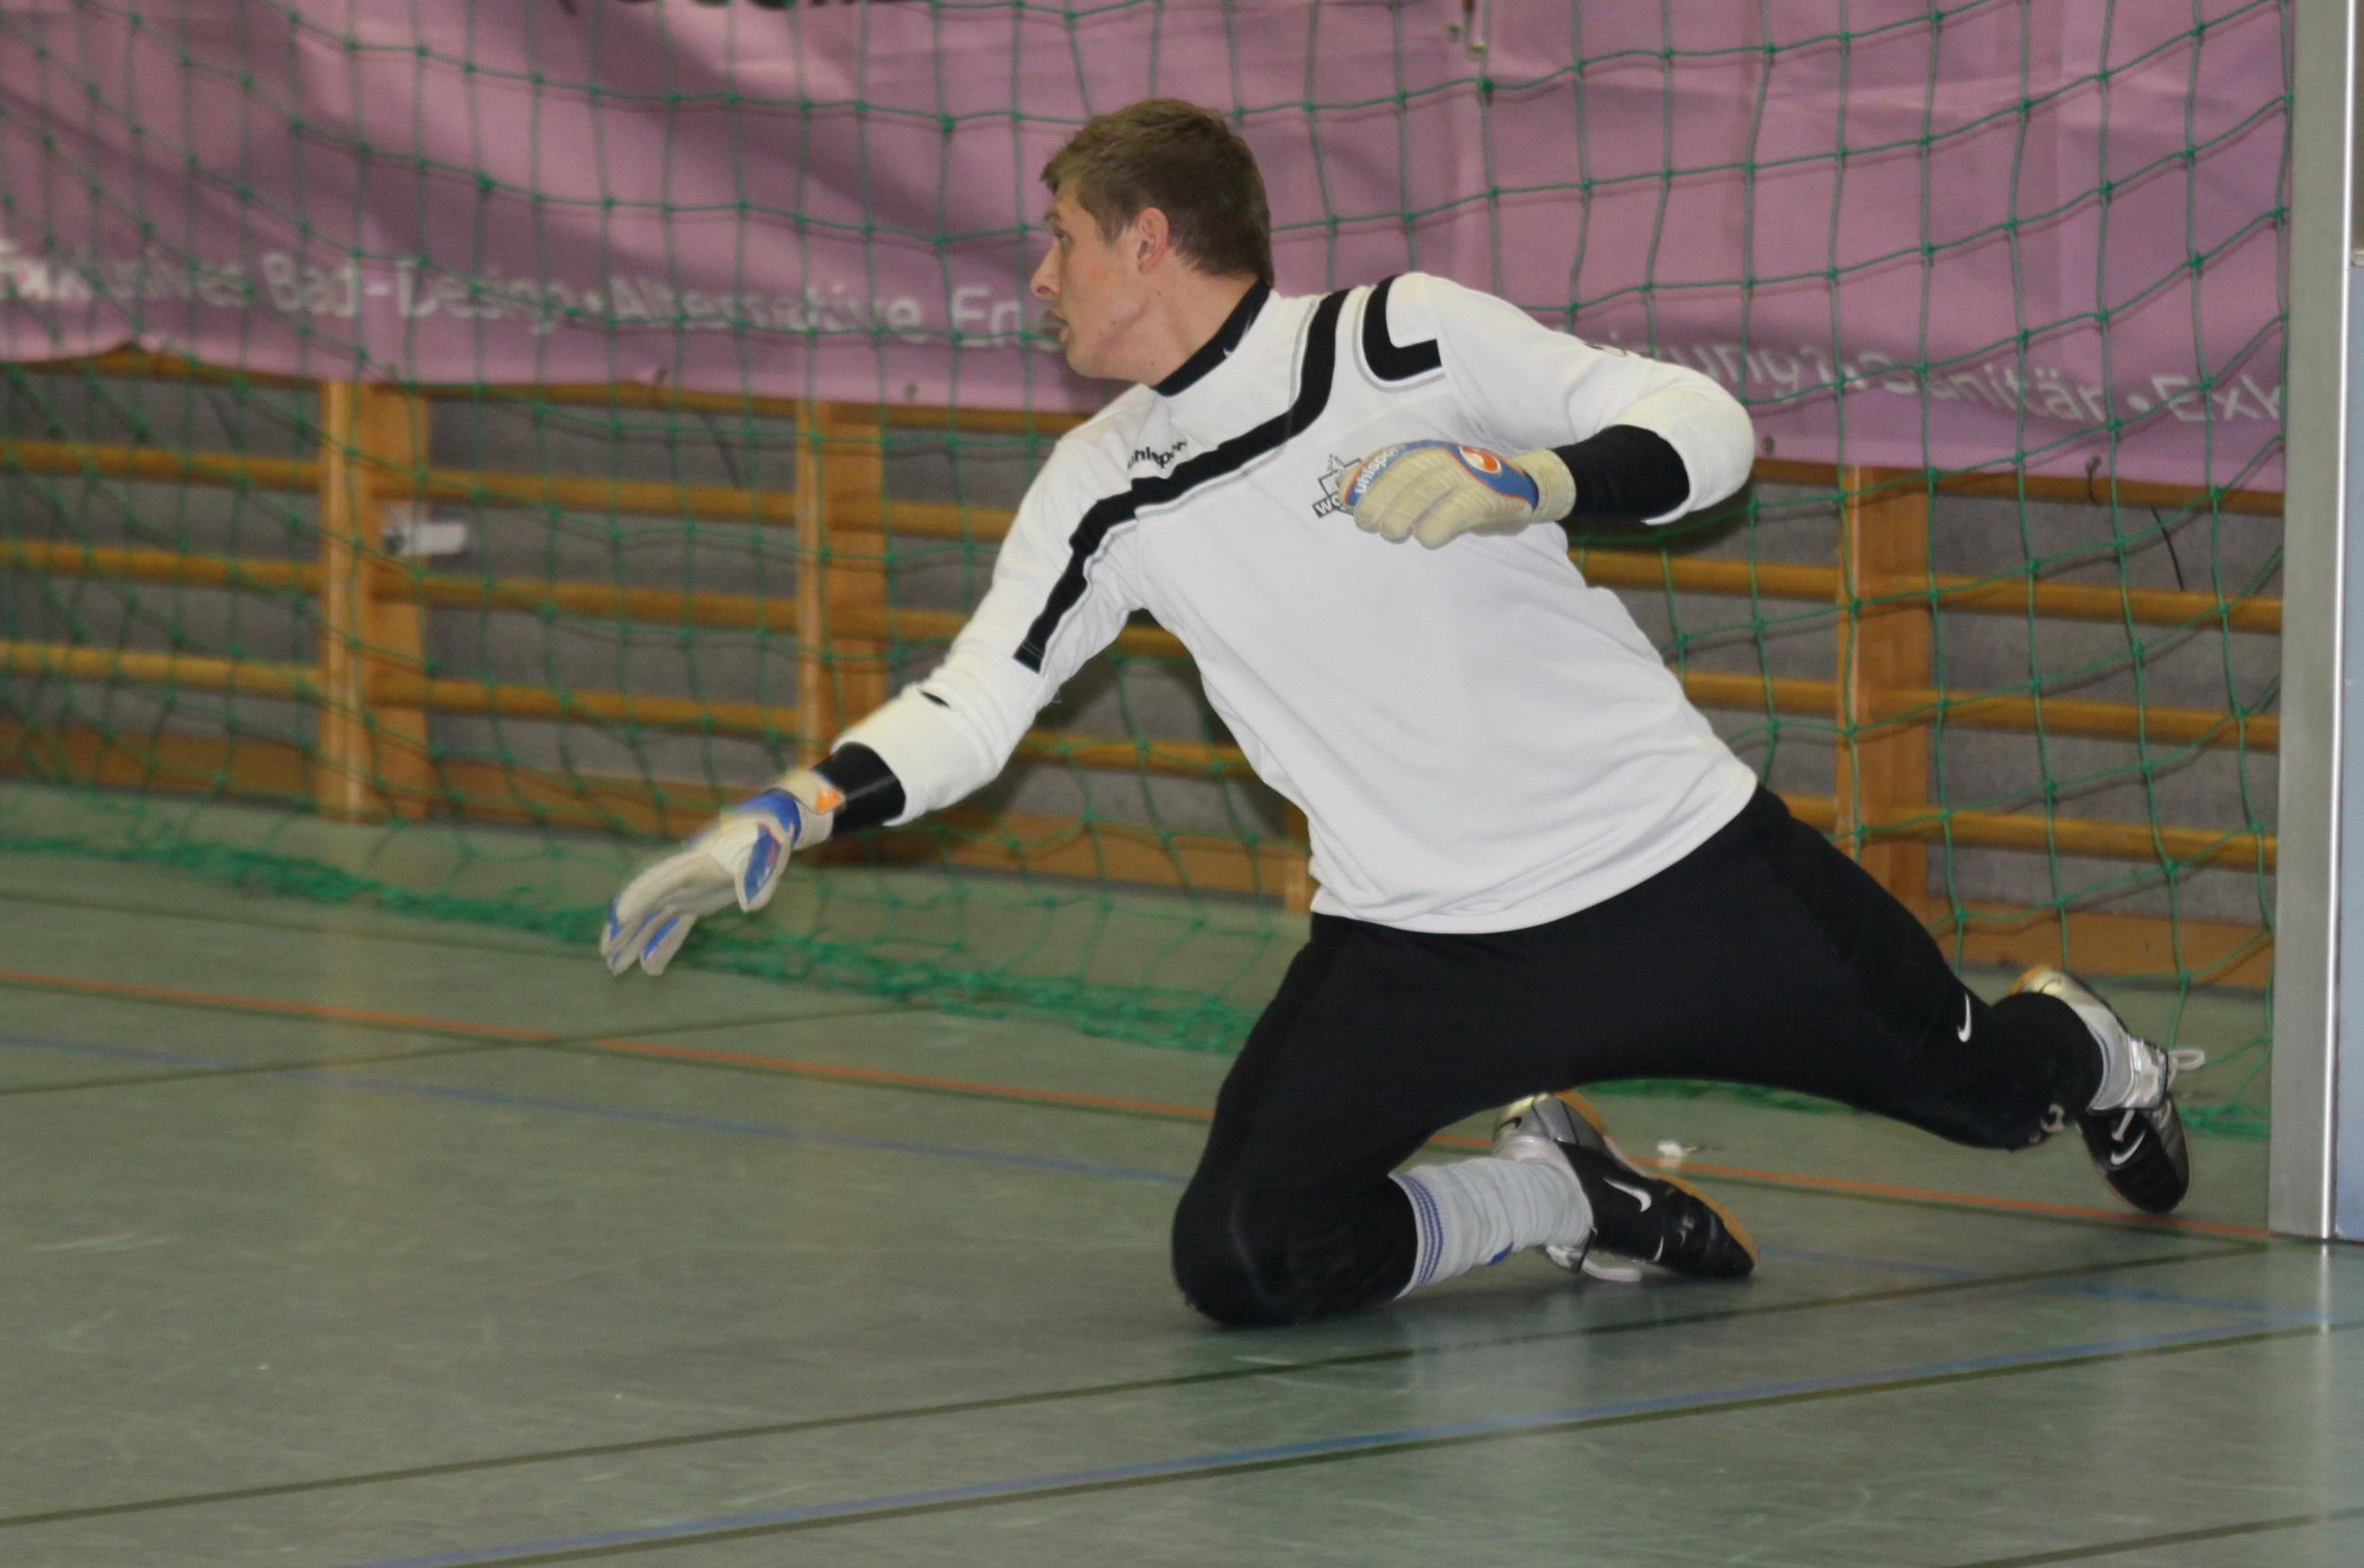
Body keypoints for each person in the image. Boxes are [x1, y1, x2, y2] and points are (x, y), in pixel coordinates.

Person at [597, 97, 2198, 1327]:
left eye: (1061, 236)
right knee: (1247, 1253)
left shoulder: (1399, 333)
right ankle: (1555, 1197)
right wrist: (794, 806)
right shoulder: (1102, 483)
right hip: (1420, 945)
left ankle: (2101, 1047)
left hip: (1678, 872)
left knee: (1996, 1098)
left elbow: (1701, 423)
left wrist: (1539, 479)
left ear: (1149, 239)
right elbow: (975, 701)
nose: (1041, 274)